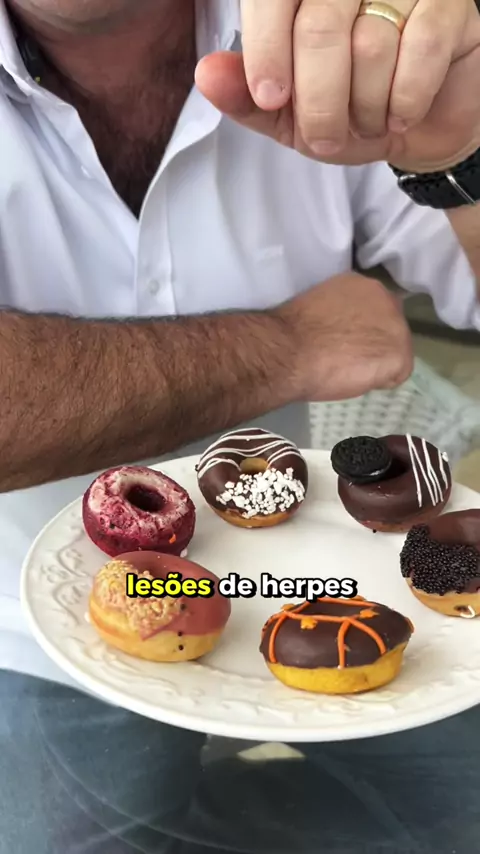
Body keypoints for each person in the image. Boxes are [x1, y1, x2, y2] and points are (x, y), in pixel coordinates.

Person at [0, 1, 480, 852]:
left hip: (329, 573)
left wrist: (462, 158)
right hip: (29, 623)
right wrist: (286, 348)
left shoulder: (344, 25)